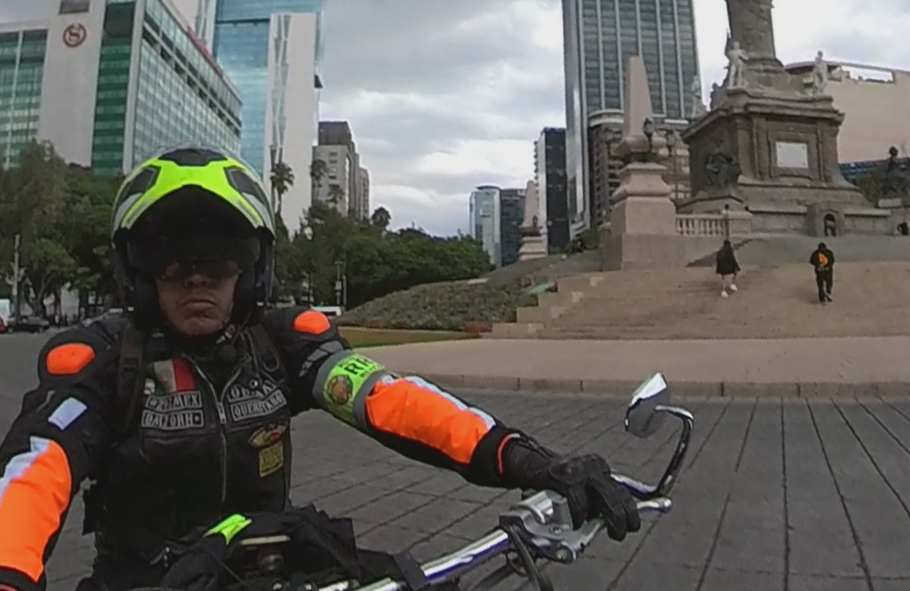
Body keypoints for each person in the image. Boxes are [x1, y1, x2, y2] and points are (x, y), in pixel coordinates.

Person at [0, 146, 640, 591]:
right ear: (134, 272)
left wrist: (532, 460)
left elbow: (390, 399)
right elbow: (35, 471)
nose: (196, 274)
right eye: (168, 257)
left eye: (222, 257)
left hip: (275, 572)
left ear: (252, 271)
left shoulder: (281, 344)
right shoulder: (105, 357)